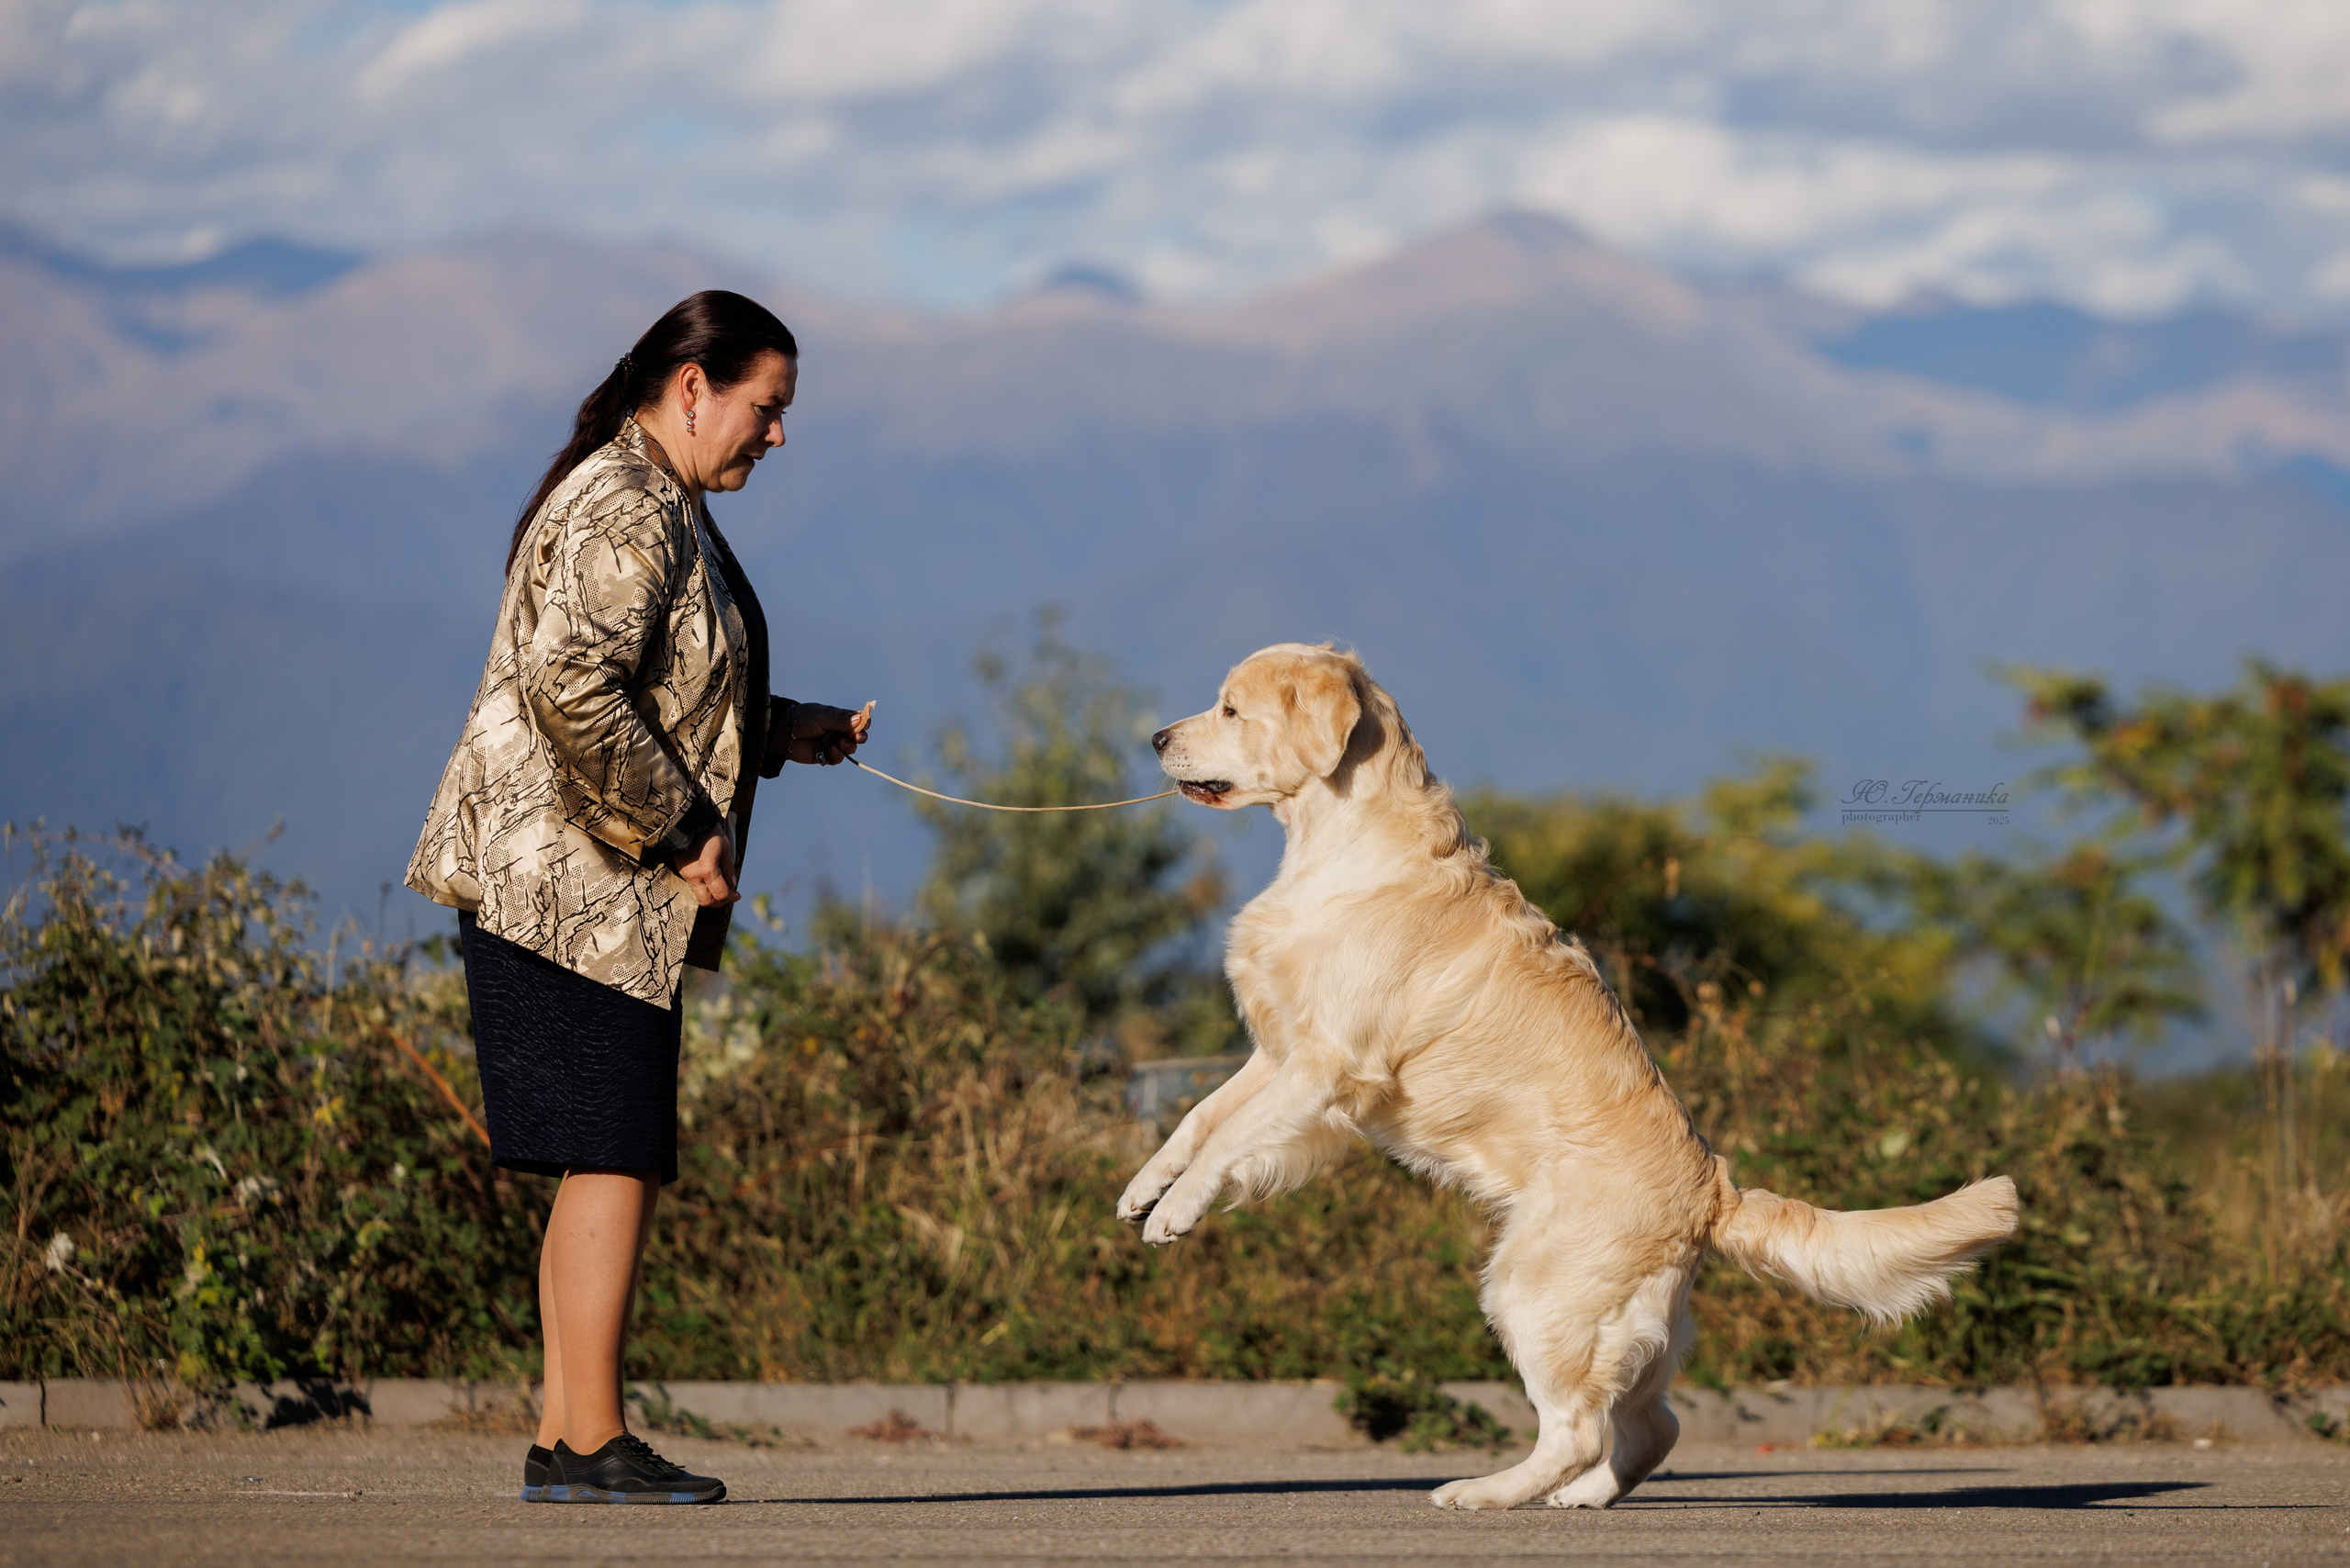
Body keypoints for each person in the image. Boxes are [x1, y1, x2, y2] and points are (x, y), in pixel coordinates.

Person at [407, 290, 868, 1505]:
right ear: (694, 387)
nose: (778, 436)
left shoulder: (653, 497)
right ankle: (594, 1440)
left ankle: (569, 1437)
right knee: (616, 1154)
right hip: (578, 885)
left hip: (573, 882)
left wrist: (783, 731)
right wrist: (680, 834)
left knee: (595, 1153)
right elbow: (575, 690)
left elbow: (662, 686)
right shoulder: (626, 502)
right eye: (768, 409)